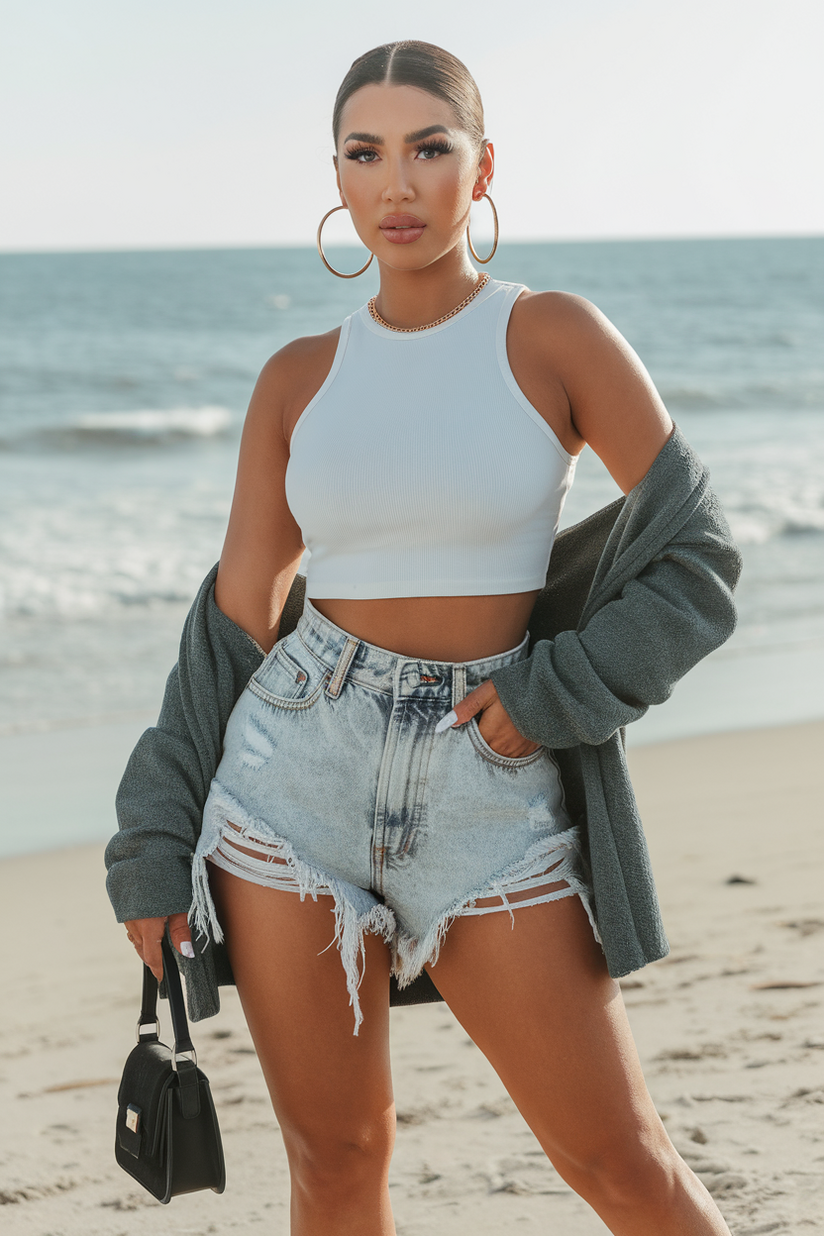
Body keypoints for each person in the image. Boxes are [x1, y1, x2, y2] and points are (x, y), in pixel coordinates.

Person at [107, 40, 741, 1236]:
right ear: (336, 180)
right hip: (291, 774)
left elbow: (697, 557)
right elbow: (237, 620)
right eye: (364, 154)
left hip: (487, 778)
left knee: (620, 1159)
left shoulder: (552, 336)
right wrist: (152, 837)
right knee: (337, 1164)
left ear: (481, 166)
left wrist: (553, 695)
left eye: (427, 149)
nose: (395, 184)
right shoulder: (297, 378)